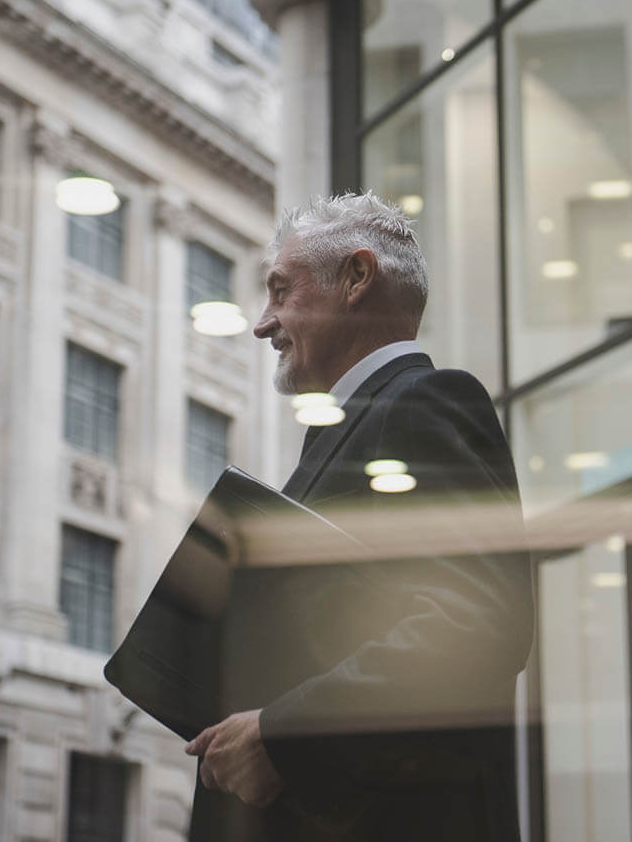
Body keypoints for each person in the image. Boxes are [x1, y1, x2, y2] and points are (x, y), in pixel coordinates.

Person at [184, 192, 534, 841]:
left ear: (356, 278)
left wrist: (280, 738)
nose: (264, 323)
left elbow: (472, 625)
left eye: (281, 291)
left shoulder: (424, 402)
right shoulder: (347, 431)